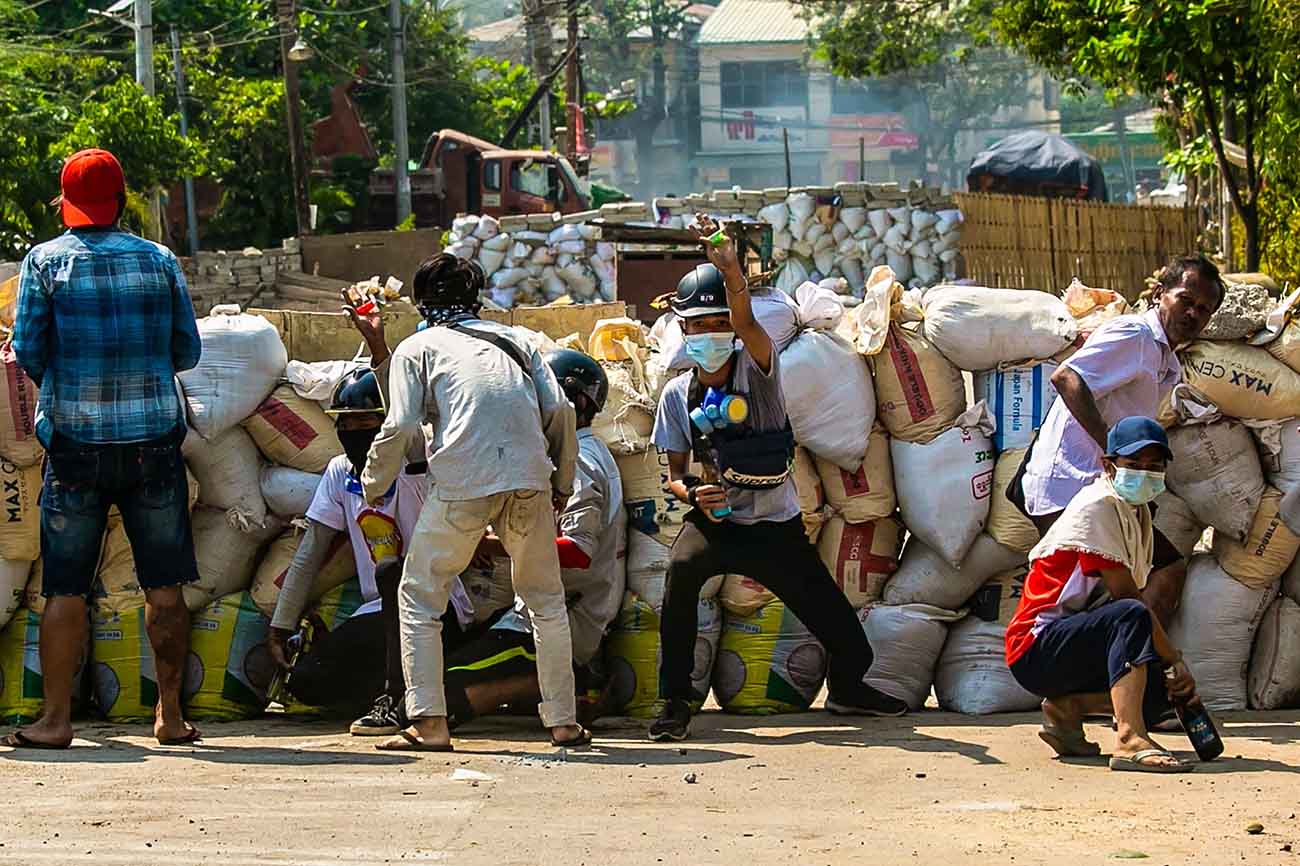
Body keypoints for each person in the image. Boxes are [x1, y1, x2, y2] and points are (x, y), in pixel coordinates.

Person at [647, 215, 908, 743]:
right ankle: (674, 701)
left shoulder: (758, 372)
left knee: (846, 636)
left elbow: (746, 320)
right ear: (683, 333)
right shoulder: (676, 396)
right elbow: (673, 476)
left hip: (776, 526)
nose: (709, 335)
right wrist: (693, 492)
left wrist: (728, 265)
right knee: (679, 581)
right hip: (716, 524)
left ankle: (851, 687)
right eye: (697, 327)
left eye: (717, 324)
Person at [7, 149, 202, 748]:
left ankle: (56, 720)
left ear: (68, 205)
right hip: (153, 446)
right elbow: (186, 353)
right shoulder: (160, 260)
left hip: (75, 446)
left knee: (65, 587)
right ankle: (169, 715)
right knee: (163, 585)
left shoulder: (45, 262)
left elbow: (28, 352)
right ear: (121, 203)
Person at [361, 253, 587, 751]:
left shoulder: (418, 346)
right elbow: (560, 410)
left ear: (422, 303)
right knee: (546, 602)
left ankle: (429, 722)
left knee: (419, 597)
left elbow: (400, 424)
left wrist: (374, 483)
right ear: (475, 298)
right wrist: (562, 481)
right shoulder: (521, 341)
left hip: (463, 484)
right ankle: (563, 722)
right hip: (529, 479)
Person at [267, 300, 475, 736]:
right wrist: (281, 623)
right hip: (379, 612)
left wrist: (377, 344)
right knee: (307, 682)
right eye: (350, 423)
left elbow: (405, 413)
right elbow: (310, 552)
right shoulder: (340, 473)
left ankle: (398, 700)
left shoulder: (416, 460)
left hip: (438, 604)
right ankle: (422, 689)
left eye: (370, 422)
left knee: (393, 572)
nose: (359, 431)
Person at [1012, 255, 1224, 625]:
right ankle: (1126, 666)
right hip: (1071, 486)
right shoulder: (1135, 336)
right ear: (1160, 294)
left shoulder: (1166, 363)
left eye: (1203, 309)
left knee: (1154, 573)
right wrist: (1112, 450)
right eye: (1185, 300)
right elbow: (1067, 378)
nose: (1193, 314)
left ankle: (1132, 668)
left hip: (1098, 491)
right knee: (1080, 603)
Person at [442, 349, 627, 730]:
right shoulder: (566, 453)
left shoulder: (581, 463)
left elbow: (577, 551)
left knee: (441, 693)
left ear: (573, 403)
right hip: (535, 614)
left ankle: (569, 688)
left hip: (557, 622)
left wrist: (495, 545)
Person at [1006, 417, 1199, 773]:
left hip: (1067, 643)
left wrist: (1168, 667)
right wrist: (1176, 660)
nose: (1145, 473)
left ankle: (1067, 710)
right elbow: (1128, 597)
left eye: (1154, 467)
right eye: (1134, 465)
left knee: (1156, 688)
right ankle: (1128, 739)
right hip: (1036, 648)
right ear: (1109, 465)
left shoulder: (1132, 512)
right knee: (1131, 616)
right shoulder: (1099, 507)